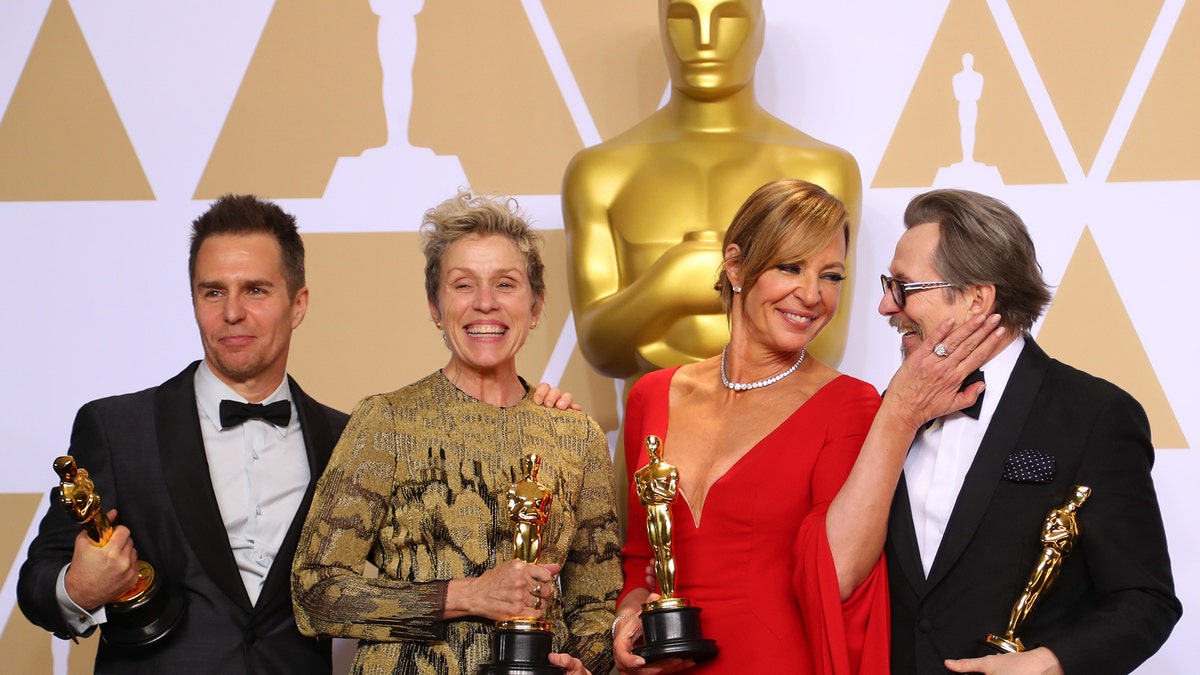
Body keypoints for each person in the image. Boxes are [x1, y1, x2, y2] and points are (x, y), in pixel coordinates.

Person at [612, 179, 1006, 674]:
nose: (812, 294)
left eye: (832, 276)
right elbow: (637, 558)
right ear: (735, 265)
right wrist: (626, 619)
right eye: (790, 267)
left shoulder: (849, 405)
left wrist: (898, 417)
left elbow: (843, 571)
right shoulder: (653, 395)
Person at [291, 191, 622, 675]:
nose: (485, 304)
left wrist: (583, 666)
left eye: (506, 284)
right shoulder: (387, 421)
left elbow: (596, 608)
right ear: (434, 305)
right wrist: (467, 595)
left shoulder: (577, 436)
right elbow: (314, 593)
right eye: (463, 285)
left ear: (535, 306)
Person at [17, 195, 350, 673]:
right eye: (213, 292)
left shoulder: (347, 439)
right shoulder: (117, 429)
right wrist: (78, 589)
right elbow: (36, 582)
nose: (232, 312)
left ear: (297, 304)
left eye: (256, 290)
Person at [880, 189, 1181, 675]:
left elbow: (1145, 601)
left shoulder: (1095, 415)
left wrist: (1051, 663)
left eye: (904, 287)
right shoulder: (887, 415)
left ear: (977, 299)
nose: (885, 306)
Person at [562, 0, 862, 388]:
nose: (705, 40)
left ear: (759, 27)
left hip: (776, 432)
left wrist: (682, 300)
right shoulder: (600, 172)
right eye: (684, 18)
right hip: (653, 439)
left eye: (729, 16)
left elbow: (825, 343)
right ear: (661, 25)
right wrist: (669, 284)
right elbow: (600, 348)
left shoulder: (823, 169)